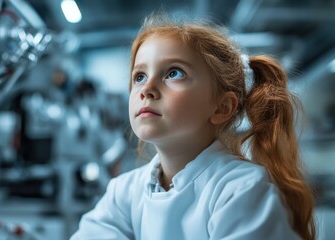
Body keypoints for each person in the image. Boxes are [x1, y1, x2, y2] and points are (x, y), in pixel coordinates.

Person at [71, 13, 316, 240]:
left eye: (174, 73)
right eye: (140, 77)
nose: (146, 89)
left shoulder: (242, 190)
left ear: (221, 108)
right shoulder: (124, 191)